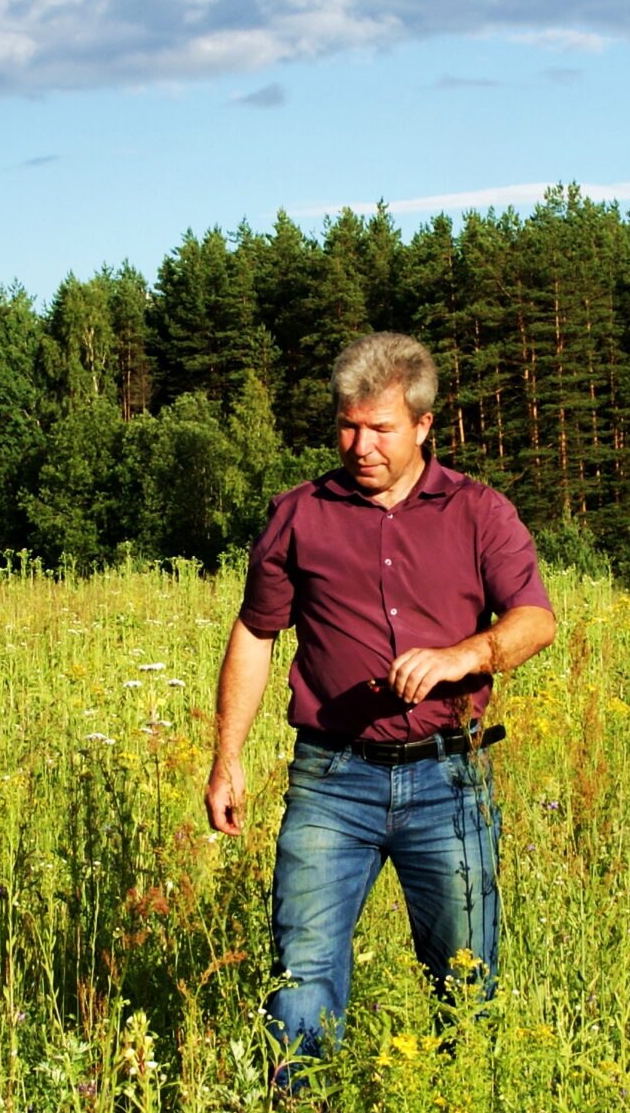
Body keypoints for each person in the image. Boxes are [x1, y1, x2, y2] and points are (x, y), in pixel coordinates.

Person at [204, 331, 557, 1074]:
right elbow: (256, 631)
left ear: (424, 426)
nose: (360, 444)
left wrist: (467, 655)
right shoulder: (299, 516)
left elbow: (534, 620)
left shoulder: (479, 512)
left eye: (380, 428)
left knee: (466, 983)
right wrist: (226, 758)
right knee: (301, 978)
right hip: (332, 783)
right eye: (347, 425)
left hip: (448, 781)